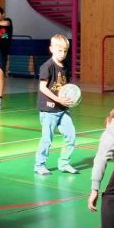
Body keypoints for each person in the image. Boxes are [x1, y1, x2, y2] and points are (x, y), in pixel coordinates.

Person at [34, 34, 78, 175]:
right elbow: (42, 87)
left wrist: (71, 97)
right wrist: (58, 100)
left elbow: (65, 87)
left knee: (70, 135)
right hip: (49, 110)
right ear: (51, 49)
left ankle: (64, 163)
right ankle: (39, 165)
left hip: (63, 109)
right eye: (59, 50)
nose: (62, 54)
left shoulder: (65, 66)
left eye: (65, 51)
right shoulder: (47, 66)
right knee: (47, 139)